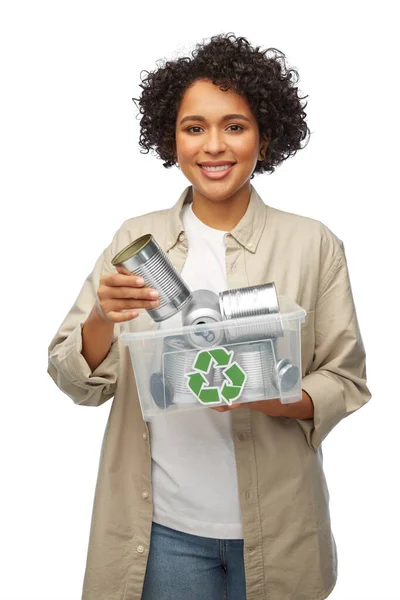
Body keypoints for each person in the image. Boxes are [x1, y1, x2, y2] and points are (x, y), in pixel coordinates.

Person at [47, 33, 371, 600]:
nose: (213, 146)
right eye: (194, 127)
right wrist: (103, 314)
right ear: (170, 139)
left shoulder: (313, 244)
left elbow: (343, 379)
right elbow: (73, 377)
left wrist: (270, 394)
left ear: (264, 138)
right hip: (162, 534)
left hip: (278, 528)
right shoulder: (136, 241)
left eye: (235, 126)